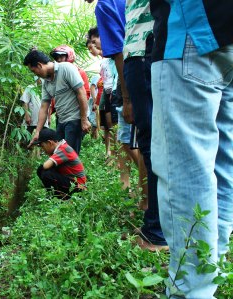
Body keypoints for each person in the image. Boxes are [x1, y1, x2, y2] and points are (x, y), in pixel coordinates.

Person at [150, 1, 233, 297]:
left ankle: (193, 290)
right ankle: (214, 269)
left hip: (193, 30)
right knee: (223, 163)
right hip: (225, 33)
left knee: (186, 169)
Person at [122, 0, 167, 250]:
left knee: (154, 146)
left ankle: (158, 230)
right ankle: (157, 223)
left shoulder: (106, 6)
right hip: (149, 53)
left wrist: (126, 97)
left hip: (144, 54)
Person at [24, 49, 91, 155]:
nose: (35, 74)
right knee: (58, 153)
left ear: (39, 65)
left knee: (69, 155)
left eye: (34, 71)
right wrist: (37, 132)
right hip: (61, 121)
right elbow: (44, 107)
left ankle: (75, 172)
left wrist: (84, 119)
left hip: (75, 119)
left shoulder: (66, 68)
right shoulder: (46, 82)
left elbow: (81, 92)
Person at [34, 128, 86, 199]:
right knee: (42, 170)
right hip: (71, 181)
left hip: (78, 186)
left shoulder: (63, 149)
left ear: (50, 143)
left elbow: (46, 166)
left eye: (43, 146)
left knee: (45, 173)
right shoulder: (60, 148)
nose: (42, 149)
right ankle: (54, 194)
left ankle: (61, 196)